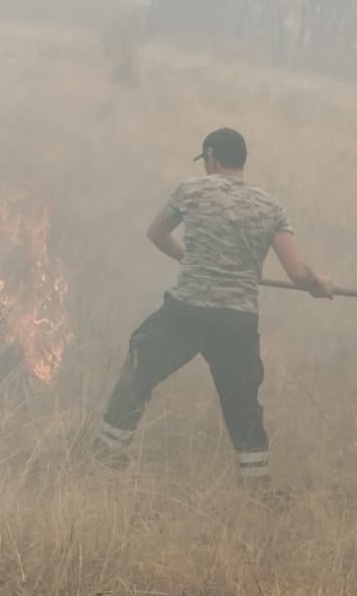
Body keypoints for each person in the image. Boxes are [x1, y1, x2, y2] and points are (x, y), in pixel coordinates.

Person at [91, 127, 332, 482]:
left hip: (186, 312)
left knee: (140, 365)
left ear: (210, 157)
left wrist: (188, 258)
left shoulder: (190, 190)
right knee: (242, 404)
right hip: (237, 321)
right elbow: (297, 272)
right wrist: (317, 283)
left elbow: (155, 233)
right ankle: (256, 483)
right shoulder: (270, 206)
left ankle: (107, 453)